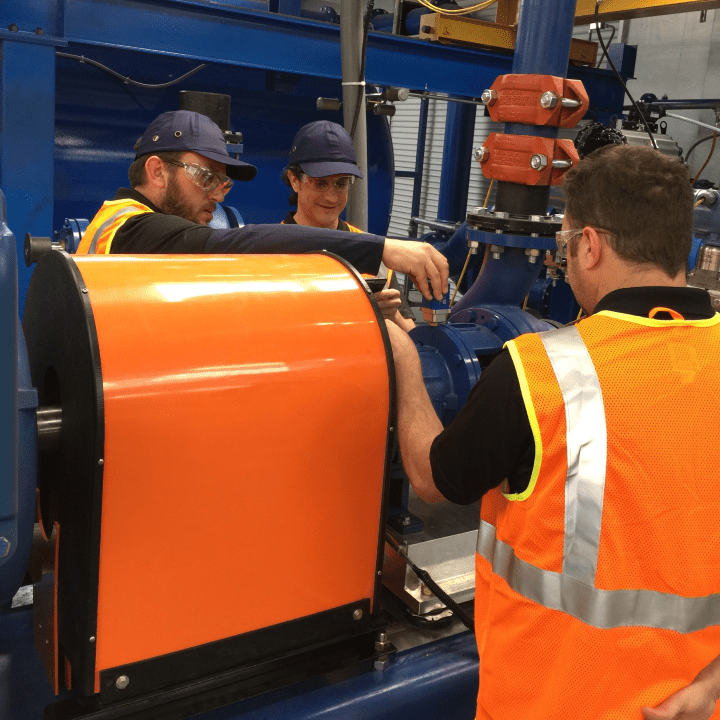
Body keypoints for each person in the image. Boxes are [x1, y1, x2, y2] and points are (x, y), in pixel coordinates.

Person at [385, 144, 720, 720]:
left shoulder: (541, 372)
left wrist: (404, 357)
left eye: (564, 246)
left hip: (548, 702)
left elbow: (434, 477)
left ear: (590, 245)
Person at [75, 110, 448, 304]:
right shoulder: (131, 227)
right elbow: (232, 246)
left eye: (222, 182)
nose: (218, 195)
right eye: (205, 177)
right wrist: (382, 247)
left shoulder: (123, 221)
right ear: (157, 171)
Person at [282, 120, 416, 331]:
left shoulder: (369, 250)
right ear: (294, 180)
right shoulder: (271, 249)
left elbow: (411, 333)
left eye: (341, 183)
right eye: (321, 183)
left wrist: (392, 315)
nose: (332, 196)